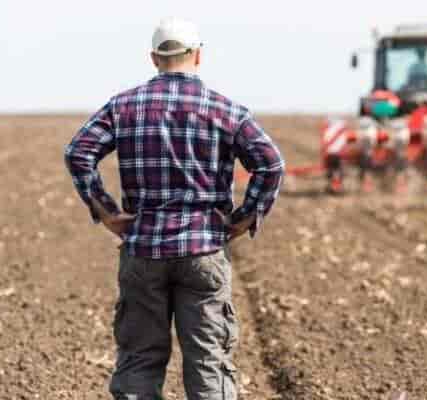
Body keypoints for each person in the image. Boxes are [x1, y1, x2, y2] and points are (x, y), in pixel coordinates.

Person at [64, 17, 284, 400]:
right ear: (198, 55)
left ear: (154, 58)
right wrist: (244, 218)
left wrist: (107, 212)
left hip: (143, 250)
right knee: (209, 363)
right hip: (204, 251)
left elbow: (78, 152)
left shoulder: (123, 107)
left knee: (139, 360)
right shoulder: (226, 110)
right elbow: (271, 164)